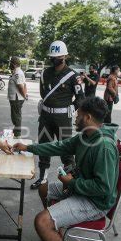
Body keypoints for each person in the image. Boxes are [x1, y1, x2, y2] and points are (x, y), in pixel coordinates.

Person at [13, 97, 119, 241]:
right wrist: (29, 148)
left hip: (95, 202)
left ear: (87, 117)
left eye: (77, 116)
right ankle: (56, 229)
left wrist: (72, 183)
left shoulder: (103, 146)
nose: (74, 119)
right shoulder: (86, 135)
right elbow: (59, 146)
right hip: (80, 189)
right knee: (43, 187)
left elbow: (104, 188)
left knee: (41, 221)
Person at [30, 40, 85, 190]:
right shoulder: (45, 73)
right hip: (46, 117)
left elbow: (81, 98)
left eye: (58, 56)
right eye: (53, 57)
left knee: (66, 150)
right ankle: (42, 179)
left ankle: (70, 181)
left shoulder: (73, 76)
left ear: (65, 56)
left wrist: (72, 108)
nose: (55, 59)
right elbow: (43, 93)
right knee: (43, 146)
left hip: (63, 119)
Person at [8, 56, 27, 138]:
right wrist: (25, 95)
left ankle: (17, 134)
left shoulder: (17, 73)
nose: (10, 64)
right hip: (16, 97)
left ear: (14, 64)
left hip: (16, 98)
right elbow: (24, 84)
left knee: (16, 116)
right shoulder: (17, 72)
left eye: (11, 63)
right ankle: (16, 131)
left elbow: (20, 86)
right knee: (15, 115)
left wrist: (24, 95)